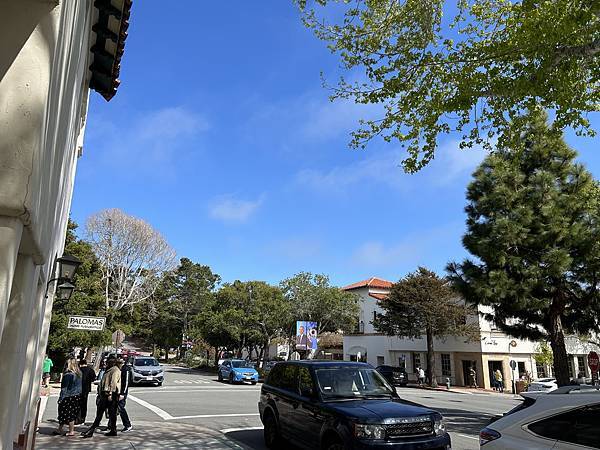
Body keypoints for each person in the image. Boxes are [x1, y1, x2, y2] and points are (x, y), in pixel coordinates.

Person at [82, 358, 121, 438]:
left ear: (112, 363)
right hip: (105, 394)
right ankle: (112, 430)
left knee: (105, 413)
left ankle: (92, 430)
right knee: (107, 414)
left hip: (110, 394)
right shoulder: (110, 370)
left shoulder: (115, 370)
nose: (106, 364)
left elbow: (113, 382)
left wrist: (110, 394)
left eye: (108, 363)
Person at [53, 358, 82, 437]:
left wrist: (61, 398)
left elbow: (64, 388)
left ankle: (70, 430)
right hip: (76, 396)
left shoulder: (68, 375)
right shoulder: (79, 374)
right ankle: (61, 429)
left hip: (68, 396)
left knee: (65, 413)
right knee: (71, 413)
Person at [77, 359, 96, 424]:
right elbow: (93, 378)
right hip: (86, 388)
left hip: (78, 388)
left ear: (80, 364)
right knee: (84, 404)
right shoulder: (90, 370)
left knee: (77, 404)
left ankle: (77, 418)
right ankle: (83, 417)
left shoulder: (78, 370)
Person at [119, 358, 133, 433]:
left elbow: (126, 382)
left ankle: (127, 425)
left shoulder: (126, 369)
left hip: (122, 392)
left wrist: (123, 393)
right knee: (115, 408)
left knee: (121, 408)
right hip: (119, 391)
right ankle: (110, 425)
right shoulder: (123, 368)